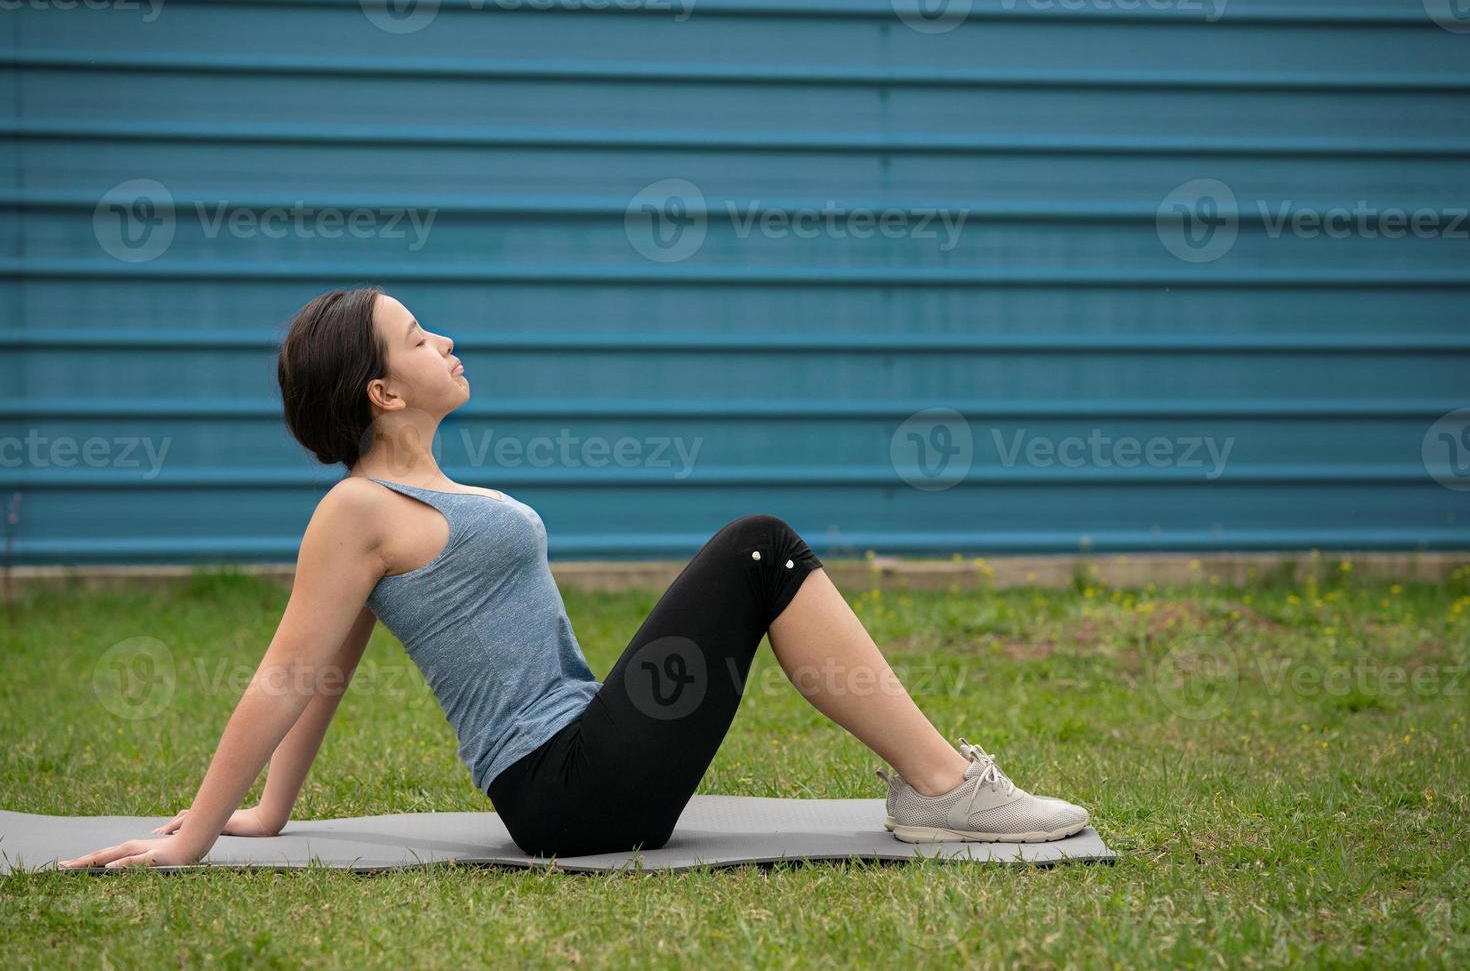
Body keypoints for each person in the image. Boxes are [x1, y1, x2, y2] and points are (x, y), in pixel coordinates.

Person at [60, 287, 1089, 869]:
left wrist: (272, 813)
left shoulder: (415, 500)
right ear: (381, 389)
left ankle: (942, 785)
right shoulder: (358, 509)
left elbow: (331, 666)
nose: (446, 339)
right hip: (566, 791)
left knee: (759, 550)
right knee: (759, 545)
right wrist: (196, 836)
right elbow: (288, 673)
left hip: (590, 760)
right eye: (420, 338)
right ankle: (946, 790)